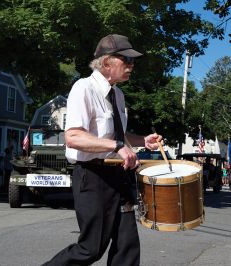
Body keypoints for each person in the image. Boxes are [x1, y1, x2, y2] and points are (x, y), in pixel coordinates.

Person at [43, 34, 162, 266]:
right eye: (126, 60)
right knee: (91, 248)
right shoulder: (83, 88)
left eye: (132, 61)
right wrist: (118, 147)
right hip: (92, 176)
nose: (131, 65)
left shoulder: (117, 94)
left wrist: (141, 141)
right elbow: (73, 136)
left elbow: (114, 134)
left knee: (126, 246)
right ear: (107, 62)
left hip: (118, 176)